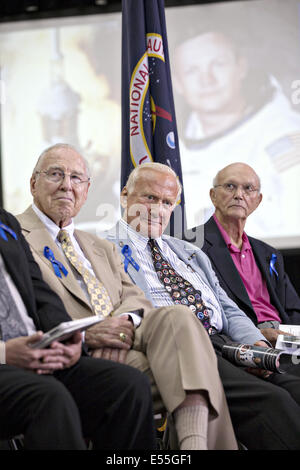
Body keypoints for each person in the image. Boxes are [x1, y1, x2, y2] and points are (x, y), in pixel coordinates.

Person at [17, 143, 238, 451]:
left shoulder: (97, 245)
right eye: (56, 174)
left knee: (178, 316)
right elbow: (25, 310)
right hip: (74, 352)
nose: (67, 185)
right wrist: (89, 334)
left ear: (87, 189)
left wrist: (122, 325)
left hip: (122, 339)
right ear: (33, 183)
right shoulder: (13, 236)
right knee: (193, 365)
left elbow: (135, 298)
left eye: (76, 178)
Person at [105, 160, 300, 450]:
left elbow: (228, 308)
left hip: (229, 344)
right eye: (150, 197)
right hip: (181, 344)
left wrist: (256, 344)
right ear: (125, 196)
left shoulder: (187, 250)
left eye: (167, 202)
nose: (158, 208)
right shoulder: (103, 248)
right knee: (273, 402)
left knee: (294, 386)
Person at [0, 208, 156, 450]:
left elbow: (39, 291)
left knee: (128, 385)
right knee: (48, 397)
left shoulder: (5, 221)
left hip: (38, 353)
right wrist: (5, 353)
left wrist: (70, 339)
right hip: (5, 361)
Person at [172, 30, 300, 236]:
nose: (207, 80)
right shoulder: (167, 147)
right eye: (192, 71)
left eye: (218, 64)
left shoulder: (287, 137)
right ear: (177, 83)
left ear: (241, 67)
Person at [184, 162, 300, 347]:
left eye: (248, 189)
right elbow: (203, 311)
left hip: (284, 341)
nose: (239, 195)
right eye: (230, 186)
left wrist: (294, 342)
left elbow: (293, 310)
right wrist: (255, 334)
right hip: (241, 343)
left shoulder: (269, 253)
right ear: (213, 195)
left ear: (258, 200)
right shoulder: (190, 245)